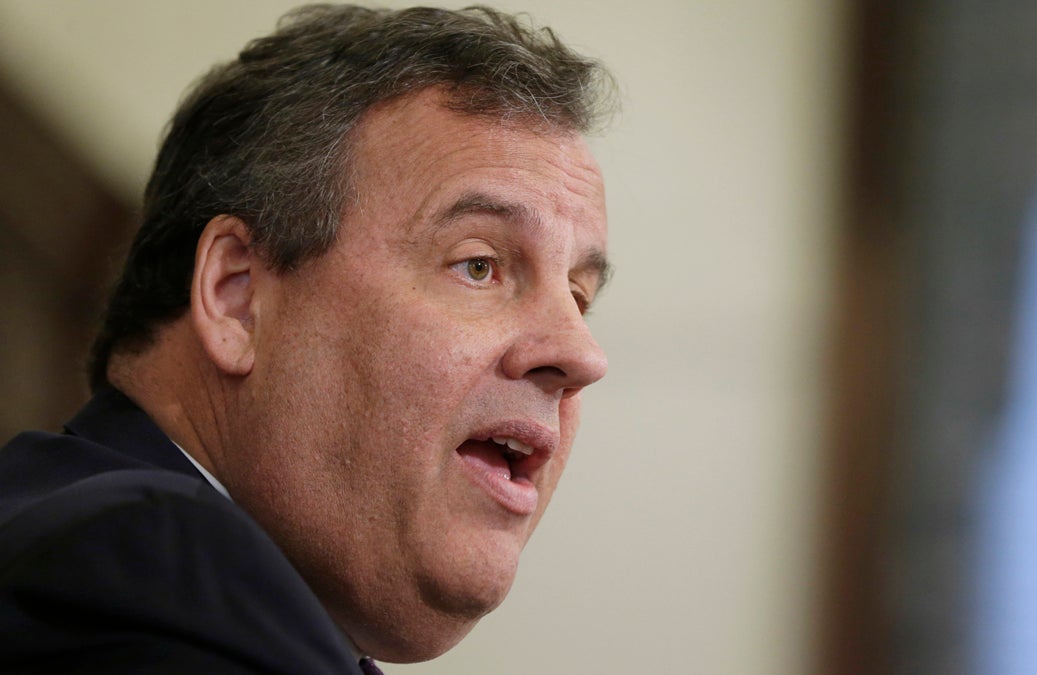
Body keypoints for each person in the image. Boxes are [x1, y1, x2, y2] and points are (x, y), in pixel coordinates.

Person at [0, 4, 613, 672]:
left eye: (579, 297)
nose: (581, 354)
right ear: (236, 297)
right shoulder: (152, 577)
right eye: (478, 264)